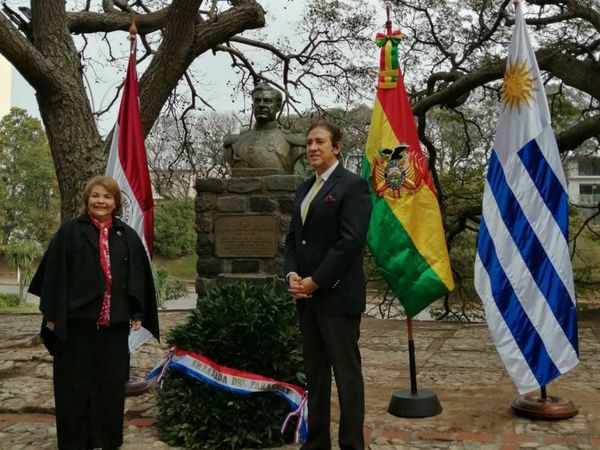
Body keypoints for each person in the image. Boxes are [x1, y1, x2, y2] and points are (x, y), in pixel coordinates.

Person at [29, 175, 159, 450]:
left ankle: (106, 439)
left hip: (113, 325)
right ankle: (75, 441)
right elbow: (54, 275)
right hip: (76, 324)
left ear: (116, 202)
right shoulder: (69, 232)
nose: (101, 201)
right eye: (96, 196)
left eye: (107, 197)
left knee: (109, 386)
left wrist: (137, 312)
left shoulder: (127, 235)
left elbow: (137, 276)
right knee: (74, 385)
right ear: (87, 200)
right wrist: (52, 315)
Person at [284, 120, 372, 450]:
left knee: (347, 377)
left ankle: (351, 444)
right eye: (308, 142)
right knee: (315, 375)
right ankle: (317, 441)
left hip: (337, 297)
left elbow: (350, 243)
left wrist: (317, 281)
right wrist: (292, 276)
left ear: (337, 147)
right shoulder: (304, 188)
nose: (312, 148)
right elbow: (293, 240)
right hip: (306, 298)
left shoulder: (353, 186)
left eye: (320, 141)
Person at [223, 83, 305, 174]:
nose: (261, 105)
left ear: (278, 107)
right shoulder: (234, 143)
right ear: (252, 106)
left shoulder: (294, 142)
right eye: (257, 101)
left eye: (268, 101)